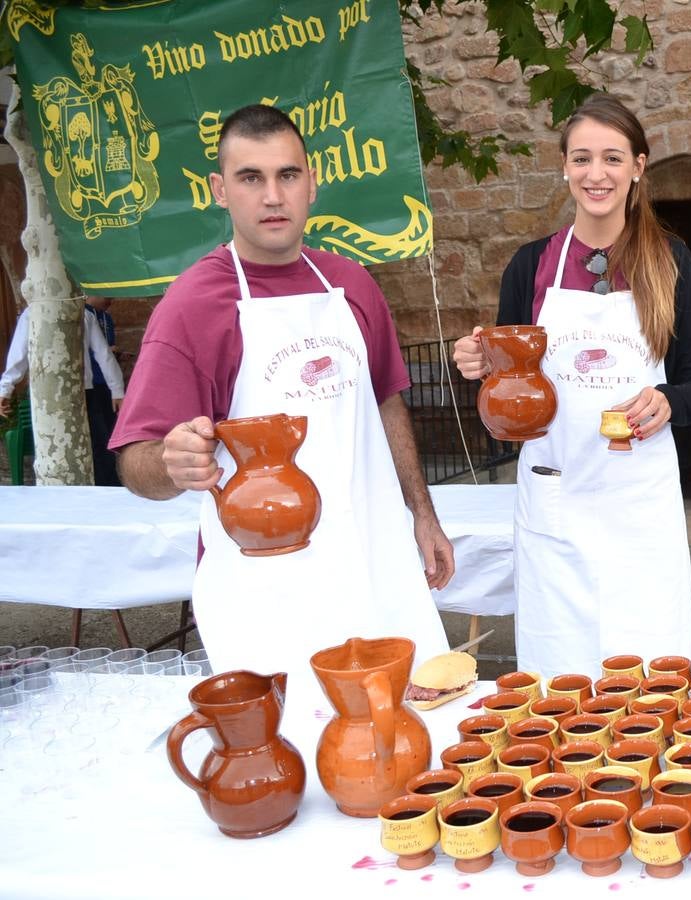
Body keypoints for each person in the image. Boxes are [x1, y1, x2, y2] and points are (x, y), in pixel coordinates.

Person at [110, 104, 451, 694]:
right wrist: (171, 462)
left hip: (375, 561)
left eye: (287, 175)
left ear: (311, 183)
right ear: (220, 190)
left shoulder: (352, 285)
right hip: (267, 589)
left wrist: (422, 513)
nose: (272, 196)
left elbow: (386, 402)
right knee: (290, 739)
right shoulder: (192, 307)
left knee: (410, 730)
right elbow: (135, 462)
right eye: (251, 178)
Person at [453, 93, 691, 679]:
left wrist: (668, 400)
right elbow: (508, 385)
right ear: (565, 166)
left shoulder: (673, 264)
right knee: (559, 668)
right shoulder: (530, 266)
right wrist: (481, 364)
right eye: (582, 158)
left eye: (612, 158)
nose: (596, 174)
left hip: (639, 499)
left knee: (649, 665)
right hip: (556, 494)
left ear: (638, 167)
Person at [1, 303, 126, 487]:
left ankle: (102, 488)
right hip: (55, 394)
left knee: (86, 447)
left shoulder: (77, 314)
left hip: (71, 394)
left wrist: (117, 390)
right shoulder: (76, 313)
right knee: (90, 447)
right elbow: (104, 354)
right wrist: (117, 390)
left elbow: (103, 354)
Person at [84, 296, 121, 486]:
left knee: (104, 435)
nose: (110, 299)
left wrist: (117, 389)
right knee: (97, 437)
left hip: (98, 387)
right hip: (90, 384)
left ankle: (109, 480)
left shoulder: (97, 317)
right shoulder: (85, 314)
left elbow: (104, 354)